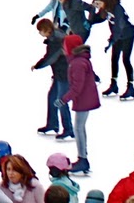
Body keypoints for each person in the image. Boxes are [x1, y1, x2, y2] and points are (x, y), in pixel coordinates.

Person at [57, 35, 97, 177]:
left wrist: (63, 100)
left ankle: (82, 159)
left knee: (79, 128)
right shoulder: (78, 61)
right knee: (80, 127)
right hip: (85, 98)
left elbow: (76, 87)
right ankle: (82, 157)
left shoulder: (77, 63)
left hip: (84, 99)